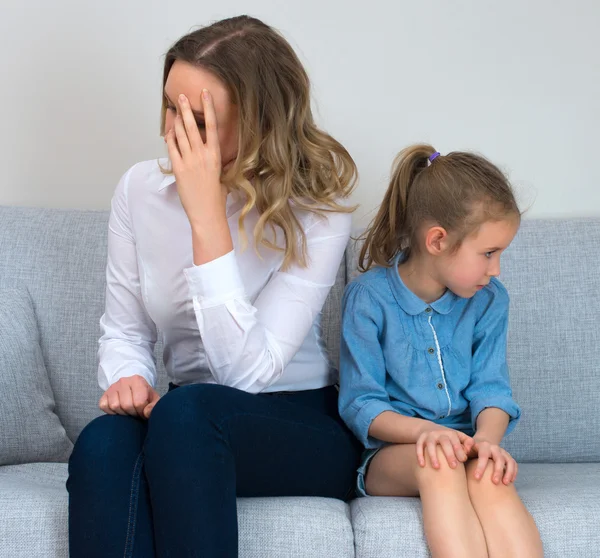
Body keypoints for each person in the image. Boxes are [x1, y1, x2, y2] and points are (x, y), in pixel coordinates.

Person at [67, 15, 362, 558]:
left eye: (198, 119)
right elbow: (124, 330)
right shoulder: (138, 190)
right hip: (185, 421)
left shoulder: (317, 207)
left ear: (261, 122)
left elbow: (245, 374)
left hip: (294, 420)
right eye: (168, 107)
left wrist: (207, 220)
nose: (172, 133)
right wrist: (128, 378)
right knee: (102, 442)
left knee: (189, 414)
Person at [338, 145, 543, 557]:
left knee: (489, 477)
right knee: (440, 464)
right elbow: (363, 403)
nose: (496, 269)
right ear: (437, 240)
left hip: (466, 446)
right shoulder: (368, 298)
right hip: (395, 456)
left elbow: (491, 389)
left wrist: (487, 441)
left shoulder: (489, 301)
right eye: (488, 253)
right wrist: (428, 434)